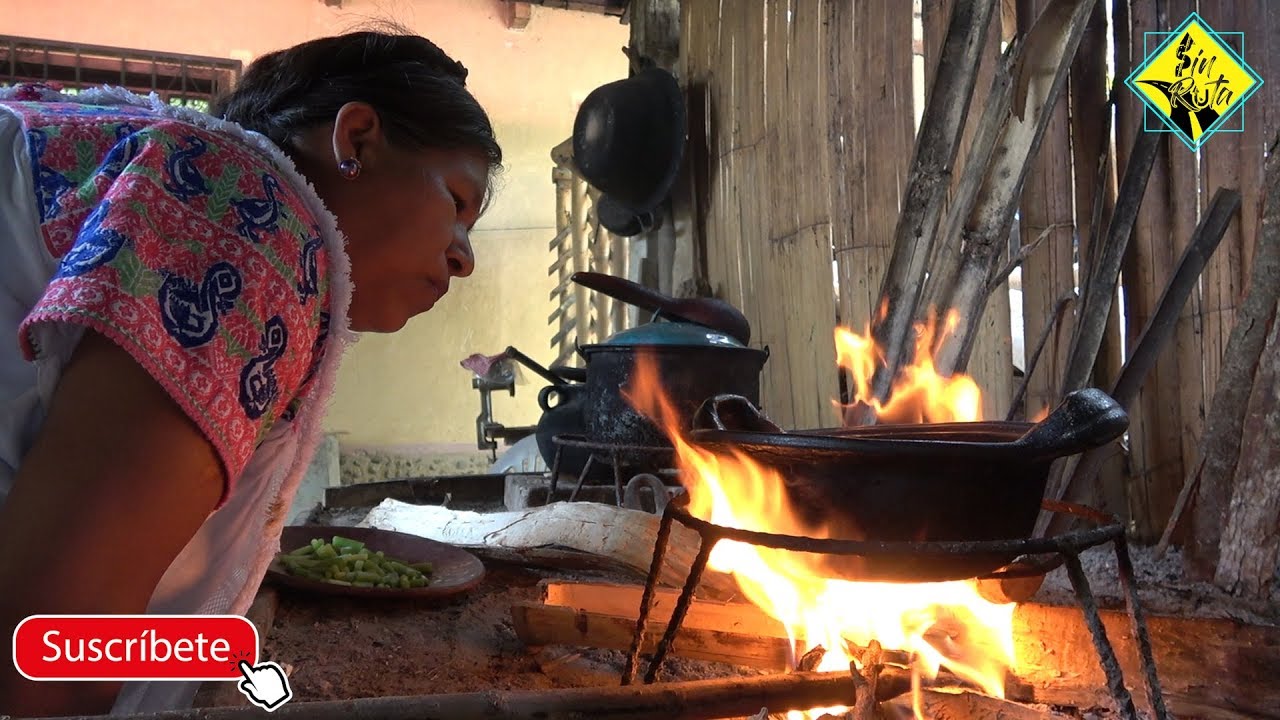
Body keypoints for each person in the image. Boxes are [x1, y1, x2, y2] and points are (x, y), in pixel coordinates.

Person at [0, 28, 502, 716]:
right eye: (457, 202)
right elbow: (46, 654)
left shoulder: (163, 163)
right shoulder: (241, 210)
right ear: (356, 140)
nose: (464, 258)